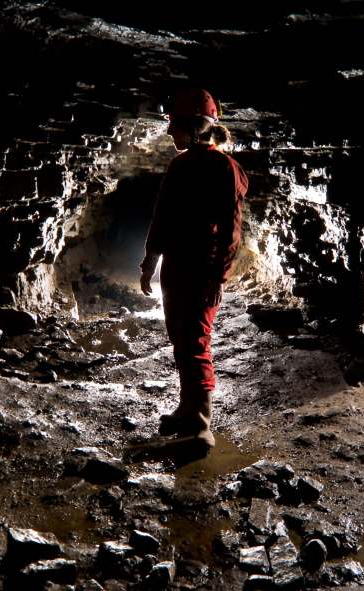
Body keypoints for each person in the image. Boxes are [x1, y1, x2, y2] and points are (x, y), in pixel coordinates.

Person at [139, 87, 249, 452]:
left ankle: (202, 425)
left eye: (174, 126)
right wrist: (150, 262)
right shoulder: (180, 164)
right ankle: (187, 410)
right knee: (180, 338)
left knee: (196, 341)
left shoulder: (224, 168)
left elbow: (231, 229)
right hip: (176, 265)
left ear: (194, 126)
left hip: (200, 268)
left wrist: (218, 278)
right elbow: (162, 216)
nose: (170, 133)